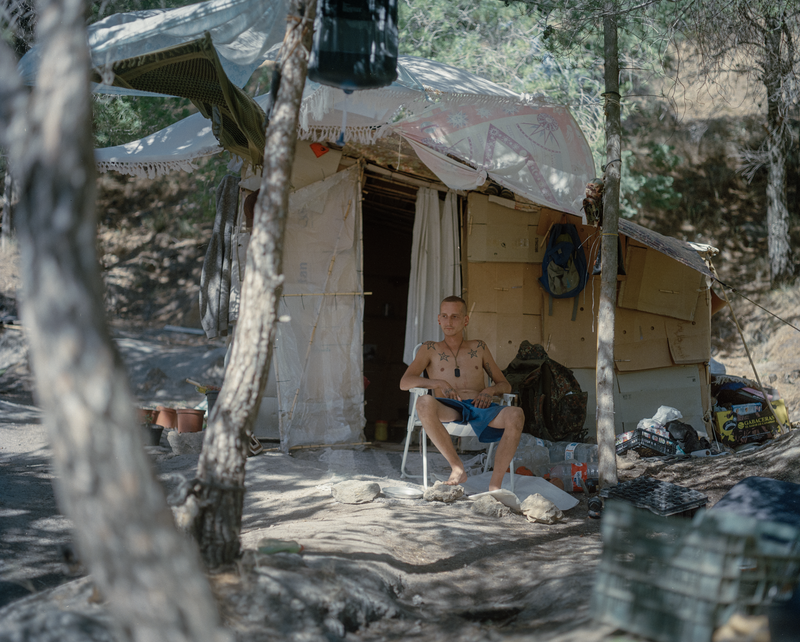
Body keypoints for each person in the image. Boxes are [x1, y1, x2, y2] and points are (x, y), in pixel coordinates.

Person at [400, 296, 524, 491]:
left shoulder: (479, 347)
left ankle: (494, 487)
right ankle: (457, 468)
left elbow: (505, 385)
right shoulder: (429, 348)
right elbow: (404, 382)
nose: (449, 322)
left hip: (480, 406)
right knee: (424, 402)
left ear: (465, 320)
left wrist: (489, 391)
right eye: (445, 316)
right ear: (438, 319)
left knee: (516, 414)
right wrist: (438, 382)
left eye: (455, 316)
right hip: (450, 407)